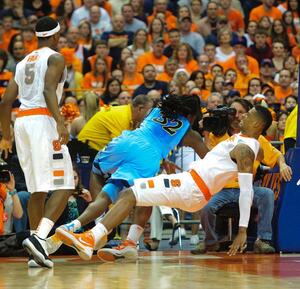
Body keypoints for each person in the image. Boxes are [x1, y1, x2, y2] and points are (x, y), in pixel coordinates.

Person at [56, 105, 287, 261]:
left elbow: (246, 192)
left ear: (258, 125)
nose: (243, 116)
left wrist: (242, 231)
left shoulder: (246, 148)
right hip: (189, 184)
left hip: (192, 188)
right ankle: (129, 244)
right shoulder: (244, 141)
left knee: (131, 194)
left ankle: (92, 238)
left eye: (249, 115)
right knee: (142, 190)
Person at [55, 94, 209, 260]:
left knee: (102, 182)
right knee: (144, 197)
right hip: (148, 157)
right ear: (192, 115)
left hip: (125, 142)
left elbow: (143, 127)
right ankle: (106, 236)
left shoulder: (155, 110)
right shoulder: (189, 133)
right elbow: (209, 159)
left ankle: (73, 226)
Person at [0, 17, 75, 268]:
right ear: (55, 36)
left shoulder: (22, 62)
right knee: (65, 184)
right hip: (43, 121)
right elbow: (47, 91)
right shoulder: (55, 57)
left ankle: (34, 249)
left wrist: (6, 136)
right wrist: (61, 122)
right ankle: (41, 238)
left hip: (21, 122)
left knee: (37, 190)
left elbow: (4, 102)